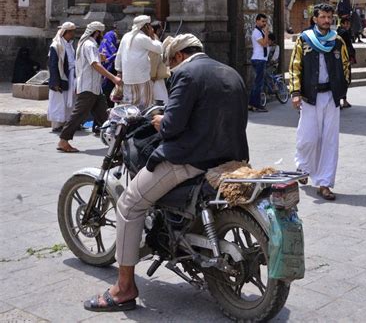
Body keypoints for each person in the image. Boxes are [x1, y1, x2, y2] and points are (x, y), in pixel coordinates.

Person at [83, 33, 249, 313]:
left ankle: (124, 288)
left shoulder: (187, 74)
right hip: (232, 156)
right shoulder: (230, 71)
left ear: (179, 56)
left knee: (129, 204)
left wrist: (160, 120)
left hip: (191, 160)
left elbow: (172, 127)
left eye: (171, 63)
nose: (172, 70)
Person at [289, 4, 349, 201]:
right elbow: (295, 67)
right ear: (315, 19)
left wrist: (342, 87)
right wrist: (295, 92)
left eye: (329, 17)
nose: (326, 20)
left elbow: (346, 66)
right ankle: (303, 167)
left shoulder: (337, 41)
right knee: (308, 137)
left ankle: (324, 183)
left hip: (331, 97)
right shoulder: (304, 40)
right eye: (322, 17)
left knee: (330, 141)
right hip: (309, 97)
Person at [57, 22, 121, 153]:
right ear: (96, 32)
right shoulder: (90, 45)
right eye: (100, 33)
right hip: (89, 87)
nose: (101, 36)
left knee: (104, 115)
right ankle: (63, 140)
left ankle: (117, 140)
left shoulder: (85, 44)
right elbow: (95, 65)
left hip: (94, 88)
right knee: (79, 114)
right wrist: (113, 78)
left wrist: (101, 57)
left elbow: (93, 60)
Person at [115, 15, 163, 110]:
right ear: (146, 26)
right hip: (142, 79)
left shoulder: (126, 36)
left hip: (127, 79)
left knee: (128, 107)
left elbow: (119, 56)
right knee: (145, 107)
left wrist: (119, 72)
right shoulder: (142, 37)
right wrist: (152, 35)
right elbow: (159, 48)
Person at [47, 22, 76, 133]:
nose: (73, 34)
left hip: (70, 76)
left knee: (70, 101)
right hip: (60, 78)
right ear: (66, 33)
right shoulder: (56, 46)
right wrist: (55, 82)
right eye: (72, 32)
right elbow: (53, 65)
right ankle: (56, 125)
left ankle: (68, 123)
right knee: (58, 102)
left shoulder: (70, 45)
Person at [248, 13, 269, 113]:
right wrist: (267, 33)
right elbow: (264, 44)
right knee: (258, 84)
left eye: (265, 21)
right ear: (257, 21)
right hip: (259, 59)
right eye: (262, 21)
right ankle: (257, 105)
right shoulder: (257, 32)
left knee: (257, 82)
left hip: (261, 59)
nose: (264, 23)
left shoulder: (261, 32)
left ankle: (251, 103)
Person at [149, 20, 170, 106]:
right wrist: (153, 75)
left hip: (153, 76)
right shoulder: (155, 43)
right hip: (155, 77)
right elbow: (153, 59)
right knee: (160, 100)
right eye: (161, 30)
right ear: (157, 30)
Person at [337, 16, 355, 108]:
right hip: (345, 58)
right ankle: (343, 100)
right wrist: (351, 56)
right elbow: (348, 46)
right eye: (346, 23)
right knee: (345, 80)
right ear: (342, 24)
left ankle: (341, 100)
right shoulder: (344, 33)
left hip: (337, 59)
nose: (348, 25)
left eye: (349, 23)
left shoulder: (336, 32)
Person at [99, 26, 119, 106]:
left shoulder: (100, 49)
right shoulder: (114, 53)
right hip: (109, 80)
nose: (117, 40)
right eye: (115, 38)